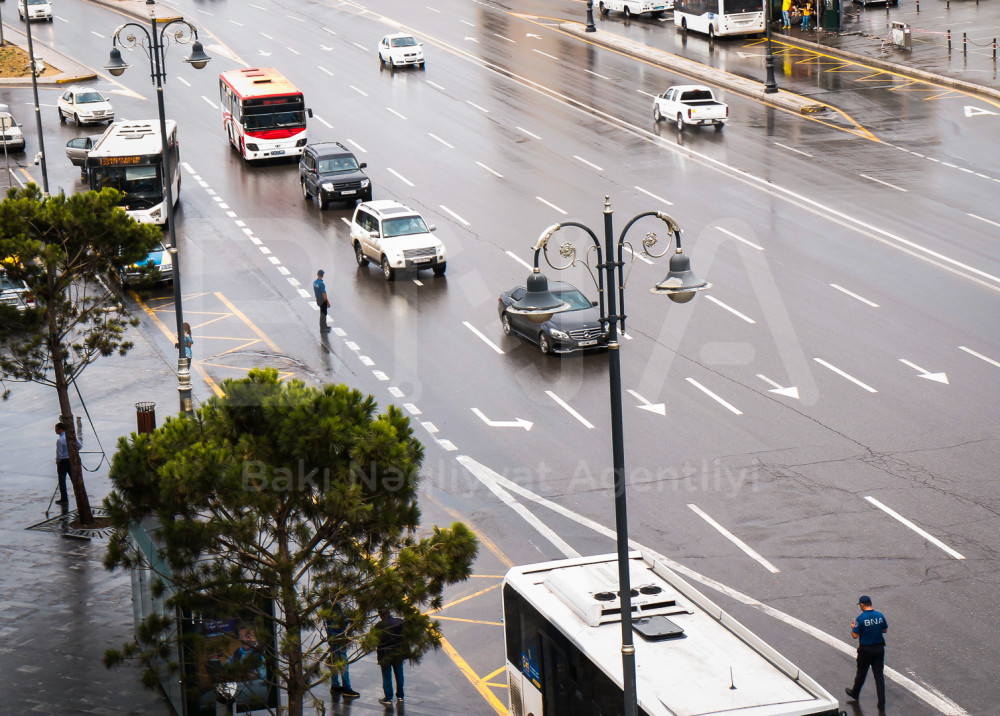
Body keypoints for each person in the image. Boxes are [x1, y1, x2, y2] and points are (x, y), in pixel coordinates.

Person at [845, 595, 888, 711]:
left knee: (861, 673)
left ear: (862, 605)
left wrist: (852, 627)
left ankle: (855, 692)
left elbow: (855, 635)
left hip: (866, 650)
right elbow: (885, 630)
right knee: (879, 677)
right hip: (879, 648)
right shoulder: (880, 616)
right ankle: (881, 703)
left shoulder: (860, 619)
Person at [326, 602, 359, 699]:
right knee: (343, 665)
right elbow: (342, 623)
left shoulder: (328, 610)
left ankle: (335, 685)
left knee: (334, 663)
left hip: (332, 640)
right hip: (339, 640)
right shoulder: (337, 612)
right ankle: (346, 688)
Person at [375, 608, 404, 706]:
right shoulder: (399, 622)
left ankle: (388, 697)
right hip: (397, 652)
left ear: (381, 615)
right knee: (399, 675)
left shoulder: (379, 626)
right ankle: (400, 696)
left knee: (387, 676)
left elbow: (374, 639)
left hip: (384, 653)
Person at [54, 419, 82, 505]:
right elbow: (80, 446)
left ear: (60, 429)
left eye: (56, 429)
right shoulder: (71, 436)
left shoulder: (60, 440)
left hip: (63, 461)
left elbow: (59, 453)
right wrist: (74, 452)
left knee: (62, 480)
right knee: (74, 478)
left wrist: (58, 461)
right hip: (71, 460)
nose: (55, 430)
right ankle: (79, 495)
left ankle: (64, 498)